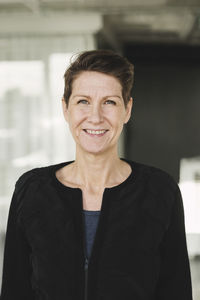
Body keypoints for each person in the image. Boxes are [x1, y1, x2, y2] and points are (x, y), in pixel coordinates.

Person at [0, 50, 193, 300]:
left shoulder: (160, 191)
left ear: (127, 110)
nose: (95, 117)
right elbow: (14, 291)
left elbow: (176, 291)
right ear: (65, 108)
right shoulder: (32, 190)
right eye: (83, 101)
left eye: (109, 102)